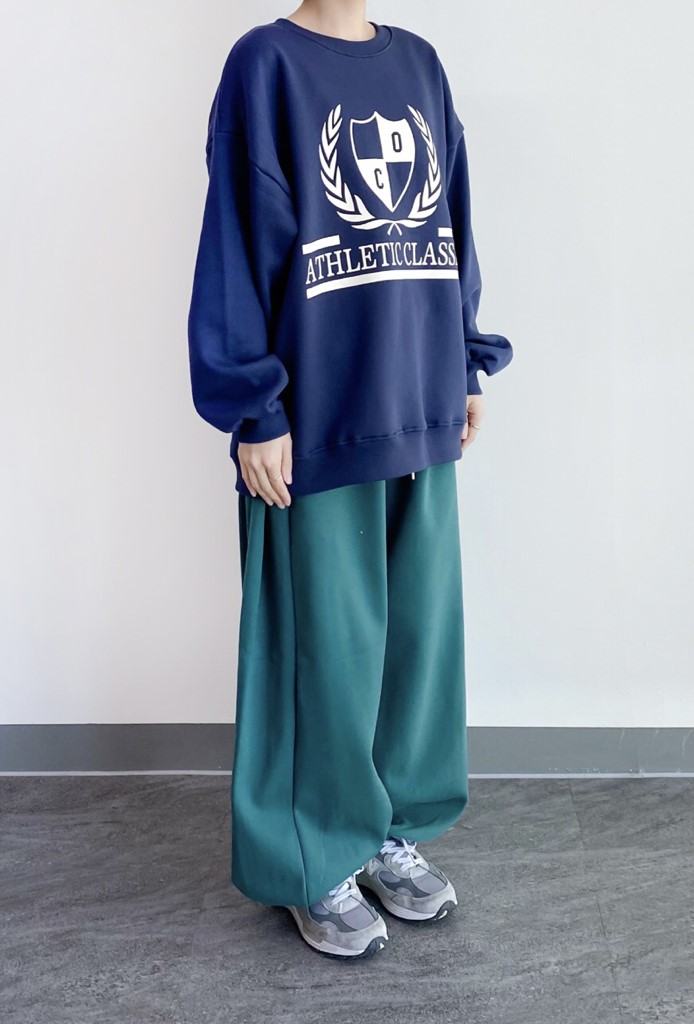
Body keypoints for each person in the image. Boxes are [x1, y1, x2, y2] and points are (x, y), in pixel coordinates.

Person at [187, 0, 513, 960]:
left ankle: (385, 828)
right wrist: (255, 407)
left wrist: (465, 360)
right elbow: (235, 241)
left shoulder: (420, 64)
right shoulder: (266, 64)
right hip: (318, 414)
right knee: (320, 649)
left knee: (416, 643)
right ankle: (312, 853)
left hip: (419, 396)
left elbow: (450, 216)